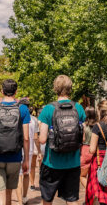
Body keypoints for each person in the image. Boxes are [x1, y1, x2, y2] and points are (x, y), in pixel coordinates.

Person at [38, 75, 86, 205]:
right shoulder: (79, 108)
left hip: (52, 163)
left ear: (55, 88)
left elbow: (42, 139)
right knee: (72, 200)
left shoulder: (48, 109)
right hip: (73, 163)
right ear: (70, 88)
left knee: (48, 199)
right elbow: (83, 137)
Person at [0, 79, 30, 205]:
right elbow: (26, 137)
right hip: (15, 157)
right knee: (9, 193)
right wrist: (26, 159)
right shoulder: (23, 109)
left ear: (2, 91)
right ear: (16, 92)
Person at [86, 100, 107, 205]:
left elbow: (92, 149)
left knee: (97, 189)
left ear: (99, 111)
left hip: (99, 161)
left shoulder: (97, 126)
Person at [16, 98, 41, 204]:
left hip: (17, 149)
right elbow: (35, 137)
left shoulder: (16, 117)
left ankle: (19, 200)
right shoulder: (34, 120)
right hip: (29, 150)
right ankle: (25, 197)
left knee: (19, 175)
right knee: (26, 174)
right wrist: (39, 150)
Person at [80, 106, 97, 188]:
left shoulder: (83, 125)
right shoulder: (98, 125)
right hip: (95, 150)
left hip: (85, 150)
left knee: (82, 176)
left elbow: (82, 139)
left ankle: (91, 190)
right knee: (93, 175)